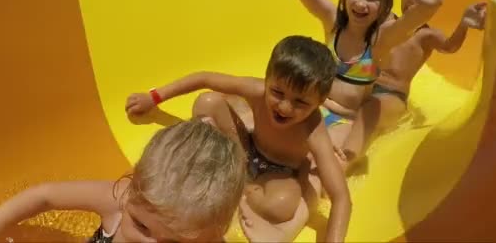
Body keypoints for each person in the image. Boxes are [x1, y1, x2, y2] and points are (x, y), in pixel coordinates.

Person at [250, 0, 445, 149]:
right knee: (233, 109)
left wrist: (431, 4)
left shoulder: (379, 41)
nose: (361, 4)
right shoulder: (332, 21)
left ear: (384, 7)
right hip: (305, 107)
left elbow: (409, 24)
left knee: (310, 159)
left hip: (341, 122)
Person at [125, 35, 352, 242]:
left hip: (278, 172)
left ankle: (240, 187)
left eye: (300, 103)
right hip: (245, 148)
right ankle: (238, 177)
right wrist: (153, 98)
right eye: (277, 92)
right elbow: (204, 78)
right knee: (208, 102)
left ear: (319, 103)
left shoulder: (312, 128)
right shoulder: (256, 90)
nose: (284, 107)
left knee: (281, 207)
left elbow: (341, 198)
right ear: (267, 79)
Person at [0, 118, 246, 243]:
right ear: (132, 188)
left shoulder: (208, 235)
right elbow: (46, 196)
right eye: (142, 227)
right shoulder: (119, 200)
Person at [335, 0, 487, 170]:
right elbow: (357, 6)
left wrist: (463, 25)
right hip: (366, 87)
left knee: (369, 111)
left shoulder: (426, 34)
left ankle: (347, 159)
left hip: (391, 96)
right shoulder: (386, 22)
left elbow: (449, 47)